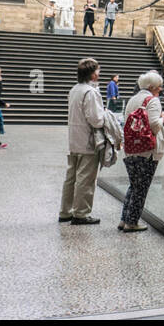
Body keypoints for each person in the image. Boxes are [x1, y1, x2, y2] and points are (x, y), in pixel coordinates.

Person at [59, 57, 109, 225]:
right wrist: (106, 116)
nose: (99, 73)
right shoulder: (91, 92)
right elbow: (96, 120)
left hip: (74, 139)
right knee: (85, 179)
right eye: (98, 71)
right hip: (88, 141)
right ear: (93, 74)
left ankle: (65, 211)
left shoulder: (74, 90)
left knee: (71, 177)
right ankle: (81, 213)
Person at [119, 70, 164, 232]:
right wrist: (163, 118)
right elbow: (154, 126)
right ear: (152, 87)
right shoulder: (152, 101)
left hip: (131, 148)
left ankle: (124, 219)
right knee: (141, 188)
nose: (161, 89)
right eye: (159, 87)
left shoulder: (133, 99)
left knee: (134, 185)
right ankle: (132, 223)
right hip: (147, 151)